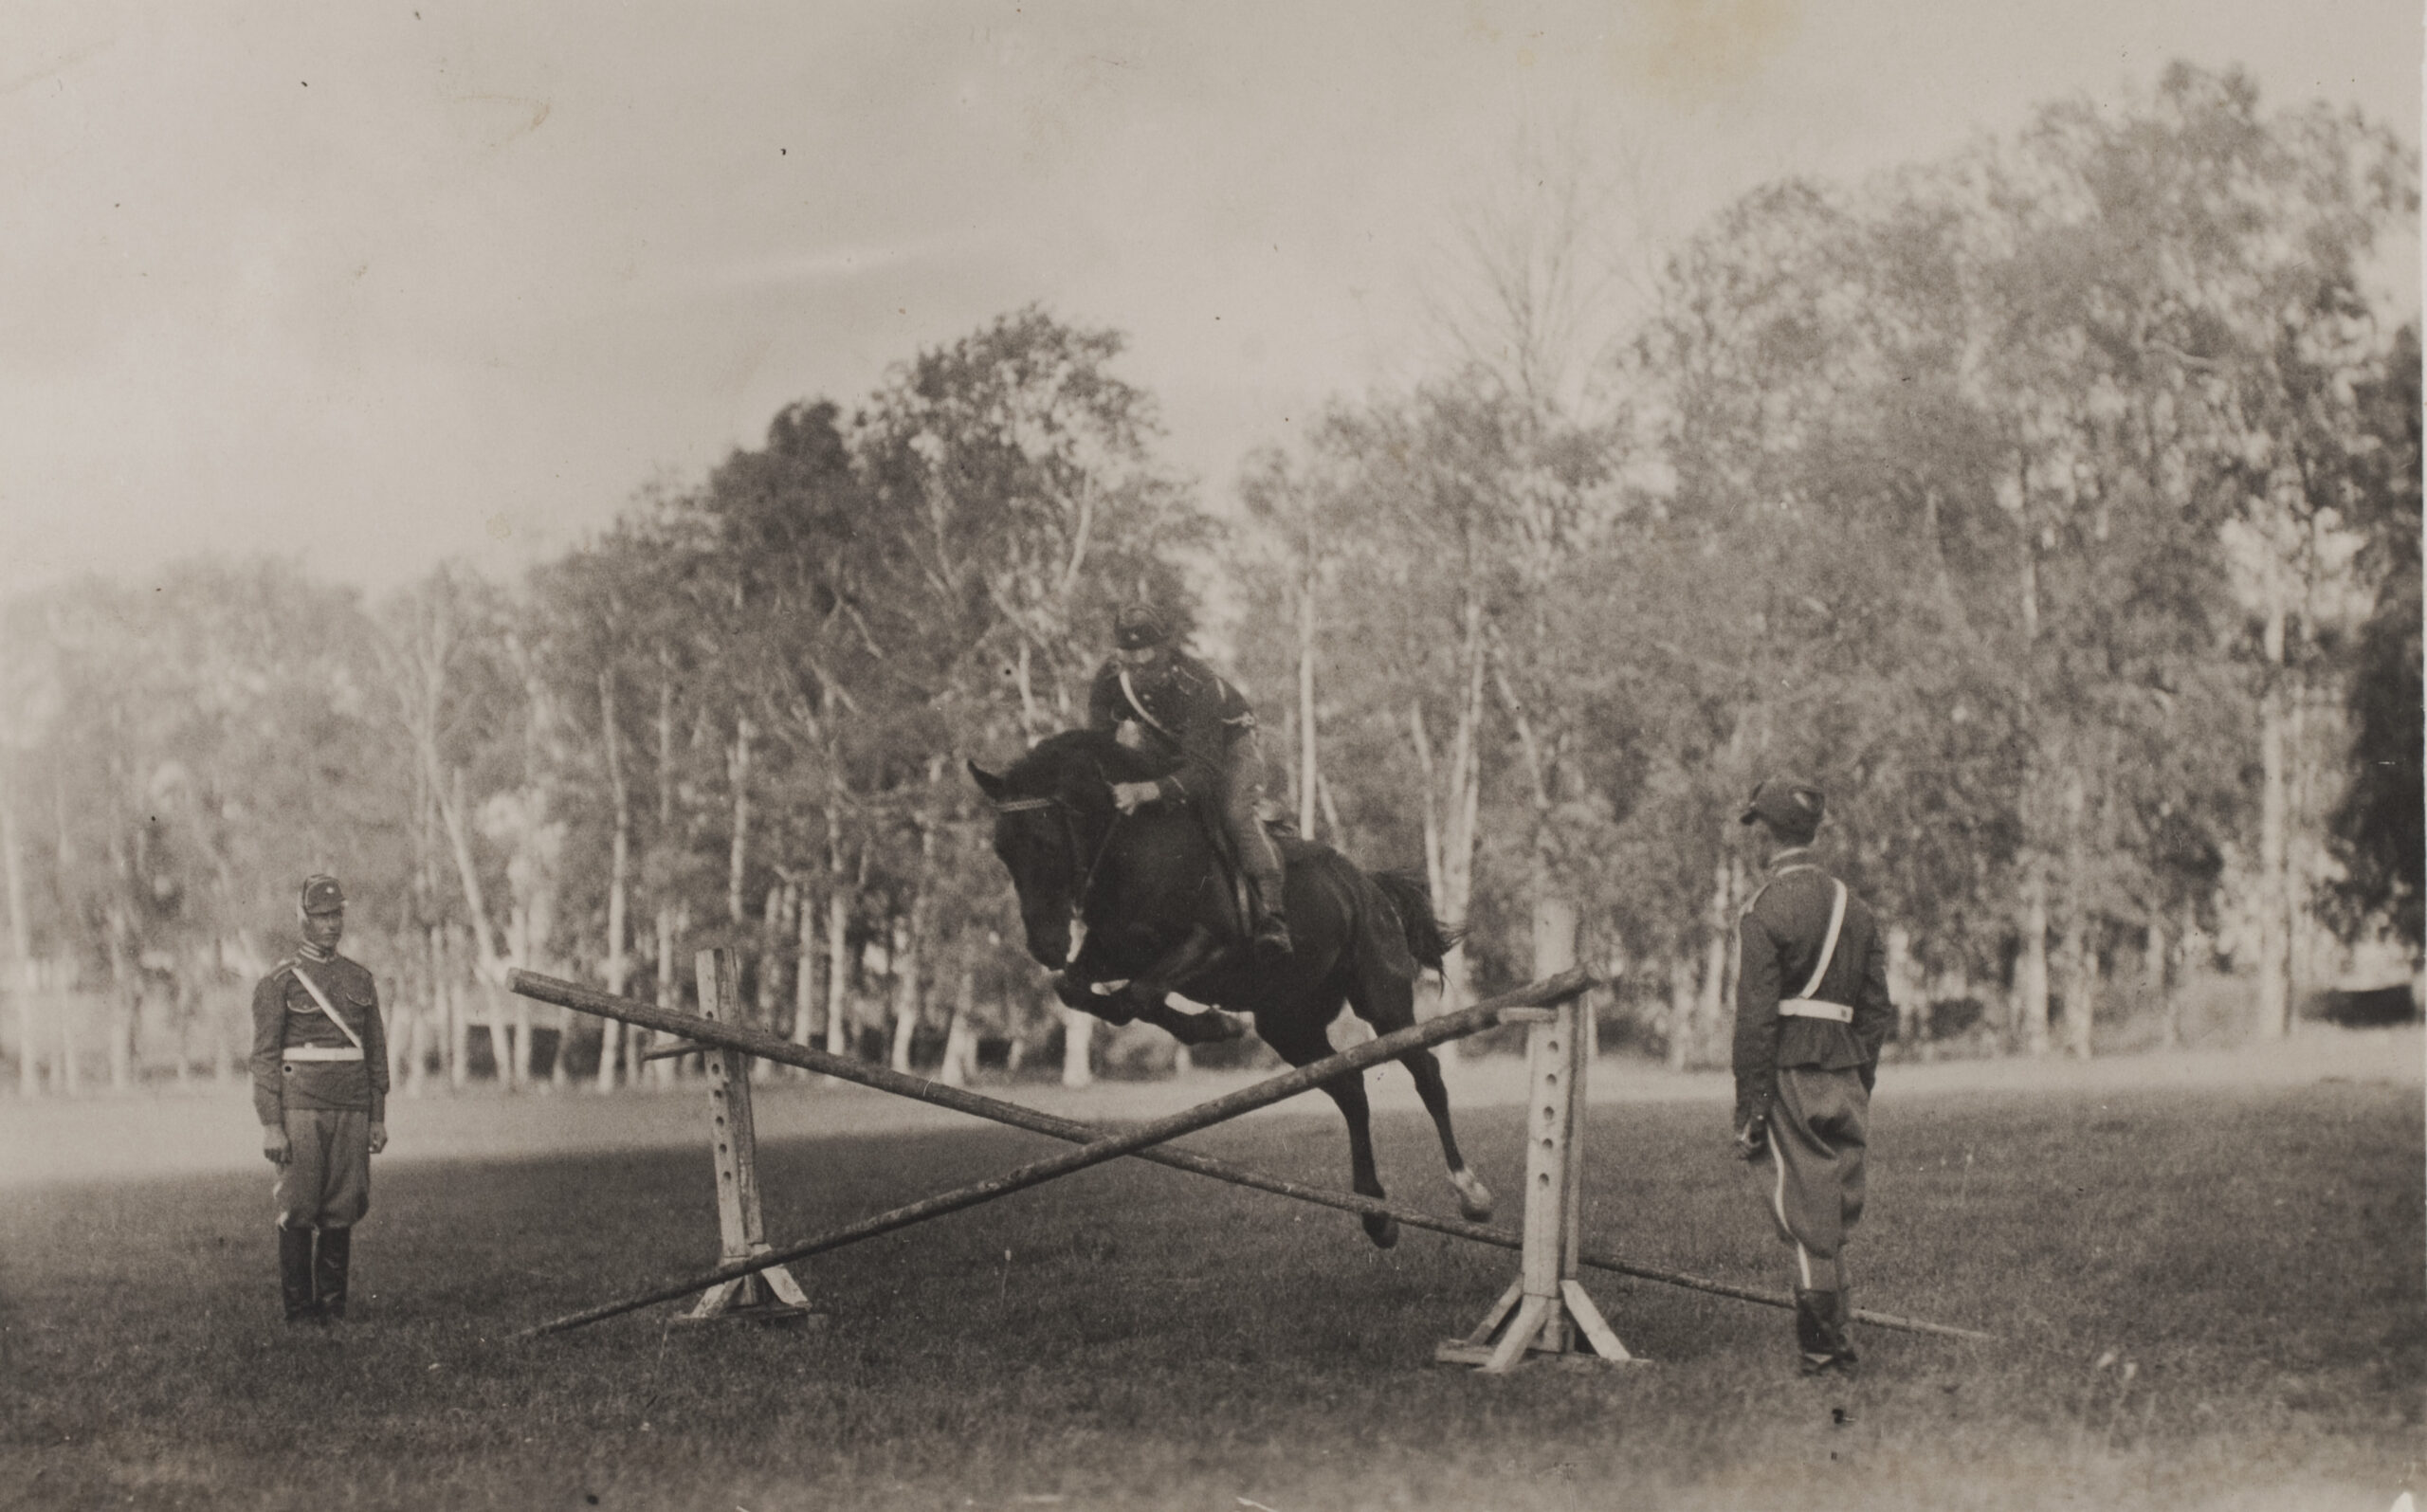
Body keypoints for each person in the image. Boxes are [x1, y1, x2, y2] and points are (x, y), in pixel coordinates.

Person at [1730, 778, 1893, 1375]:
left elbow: (1754, 1022)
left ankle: (1825, 1356)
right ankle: (1836, 1346)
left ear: (1767, 835)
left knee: (1804, 1219)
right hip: (1846, 1068)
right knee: (1831, 1215)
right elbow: (1876, 1009)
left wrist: (1750, 1108)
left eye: (1757, 830)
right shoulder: (1858, 907)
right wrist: (1859, 1076)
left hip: (1791, 1071)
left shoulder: (1764, 908)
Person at [1086, 602, 1292, 959]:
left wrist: (1148, 789)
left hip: (1229, 748)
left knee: (1232, 812)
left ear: (1165, 651)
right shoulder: (1109, 679)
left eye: (1146, 660)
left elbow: (1203, 772)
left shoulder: (1199, 685)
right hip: (1166, 744)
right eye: (1127, 660)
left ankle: (1273, 914)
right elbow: (1099, 745)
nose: (1136, 672)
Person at [252, 874, 388, 1323]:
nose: (331, 924)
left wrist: (377, 1116)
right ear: (302, 919)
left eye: (336, 915)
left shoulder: (360, 980)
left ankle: (332, 1309)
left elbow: (375, 1054)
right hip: (301, 1106)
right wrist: (272, 1123)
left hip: (351, 1106)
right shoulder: (279, 982)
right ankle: (300, 1314)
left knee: (342, 1204)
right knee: (298, 1206)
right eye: (321, 916)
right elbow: (265, 1058)